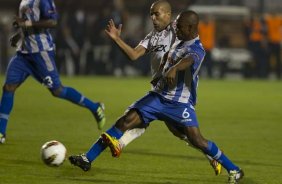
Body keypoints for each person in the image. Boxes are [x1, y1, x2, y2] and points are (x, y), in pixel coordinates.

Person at [69, 10, 244, 184]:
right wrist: (118, 39)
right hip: (158, 97)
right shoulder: (175, 37)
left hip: (179, 104)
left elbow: (189, 60)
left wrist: (175, 68)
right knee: (124, 121)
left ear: (190, 28)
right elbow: (140, 51)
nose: (177, 28)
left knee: (197, 140)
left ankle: (234, 169)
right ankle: (88, 158)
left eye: (180, 26)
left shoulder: (197, 49)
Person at [103, 0, 222, 175]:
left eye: (156, 13)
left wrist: (174, 66)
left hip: (179, 90)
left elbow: (190, 37)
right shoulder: (152, 36)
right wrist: (117, 39)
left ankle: (120, 143)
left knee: (143, 114)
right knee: (179, 132)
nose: (153, 18)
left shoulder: (178, 28)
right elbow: (134, 55)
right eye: (151, 14)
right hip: (162, 88)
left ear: (168, 14)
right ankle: (211, 155)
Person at [0, 0, 106, 144]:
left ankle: (95, 107)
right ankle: (1, 133)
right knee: (8, 87)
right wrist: (20, 34)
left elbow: (52, 22)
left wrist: (26, 24)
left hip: (41, 52)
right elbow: (28, 22)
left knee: (57, 90)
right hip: (23, 53)